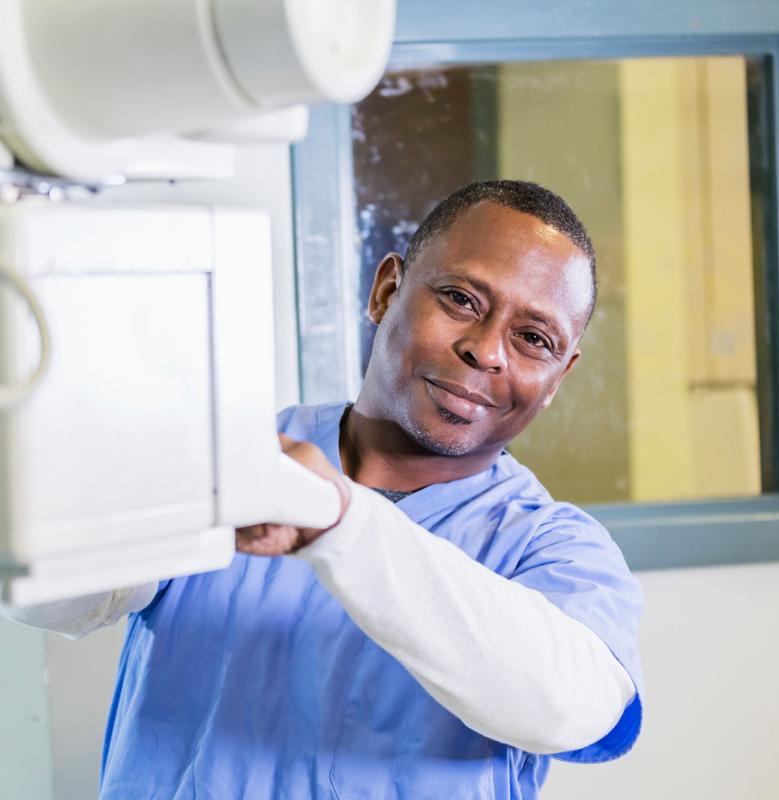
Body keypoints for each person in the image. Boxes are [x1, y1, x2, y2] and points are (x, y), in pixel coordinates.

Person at [5, 180, 643, 799]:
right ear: (387, 290)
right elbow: (60, 598)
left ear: (558, 377)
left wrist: (342, 524)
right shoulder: (231, 457)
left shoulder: (555, 548)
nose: (485, 351)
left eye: (533, 339)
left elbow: (577, 712)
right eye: (461, 300)